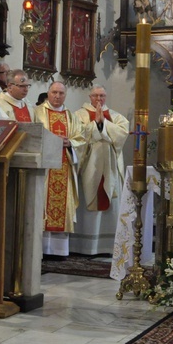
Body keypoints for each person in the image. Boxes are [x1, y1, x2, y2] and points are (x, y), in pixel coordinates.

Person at [71, 85, 128, 255]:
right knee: (88, 199)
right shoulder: (78, 115)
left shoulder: (116, 116)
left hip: (110, 166)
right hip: (89, 166)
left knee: (110, 199)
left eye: (102, 95)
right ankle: (83, 246)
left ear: (106, 97)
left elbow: (122, 134)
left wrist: (104, 123)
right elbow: (78, 135)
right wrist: (95, 124)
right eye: (95, 95)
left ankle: (107, 246)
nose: (98, 99)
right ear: (89, 96)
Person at [34, 81, 88, 257]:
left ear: (65, 95)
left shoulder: (71, 117)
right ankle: (41, 249)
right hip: (45, 170)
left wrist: (69, 143)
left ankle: (58, 251)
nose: (57, 96)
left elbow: (81, 140)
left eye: (61, 93)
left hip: (64, 166)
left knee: (61, 207)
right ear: (48, 93)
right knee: (42, 205)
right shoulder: (36, 113)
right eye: (54, 92)